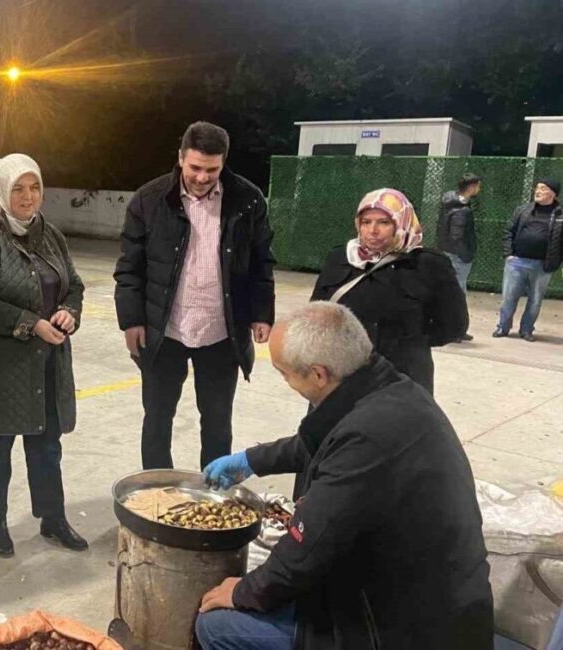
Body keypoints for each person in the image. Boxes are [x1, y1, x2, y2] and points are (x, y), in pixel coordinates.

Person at [196, 302, 493, 650]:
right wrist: (251, 460)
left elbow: (303, 555)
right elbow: (323, 442)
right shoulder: (390, 391)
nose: (285, 381)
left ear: (318, 375)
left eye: (284, 373)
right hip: (430, 599)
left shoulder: (367, 439)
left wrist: (243, 592)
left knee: (215, 626)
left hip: (402, 630)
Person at [114, 120, 276, 470]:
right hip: (164, 331)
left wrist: (262, 312)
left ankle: (213, 489)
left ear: (224, 163)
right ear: (180, 158)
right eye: (195, 168)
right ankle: (157, 489)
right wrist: (132, 320)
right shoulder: (148, 200)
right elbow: (129, 267)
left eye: (212, 170)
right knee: (157, 419)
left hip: (221, 332)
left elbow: (262, 260)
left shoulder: (247, 200)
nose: (202, 177)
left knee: (217, 422)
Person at [0, 153, 87, 558]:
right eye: (18, 189)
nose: (28, 197)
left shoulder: (50, 234)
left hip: (45, 363)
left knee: (46, 445)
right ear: (1, 190)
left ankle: (52, 518)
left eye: (34, 187)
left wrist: (69, 312)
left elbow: (73, 285)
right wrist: (32, 323)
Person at [310, 188, 466, 394]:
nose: (373, 230)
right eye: (366, 222)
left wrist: (411, 344)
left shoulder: (428, 264)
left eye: (384, 222)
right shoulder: (341, 257)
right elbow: (316, 312)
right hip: (342, 376)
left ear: (401, 223)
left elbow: (454, 325)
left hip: (400, 378)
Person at [493, 179, 563, 342]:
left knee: (535, 300)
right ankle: (503, 327)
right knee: (509, 297)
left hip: (543, 265)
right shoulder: (523, 210)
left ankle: (526, 330)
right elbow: (509, 231)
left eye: (543, 189)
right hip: (517, 262)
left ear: (553, 194)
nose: (537, 191)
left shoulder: (560, 215)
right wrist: (508, 254)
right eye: (537, 188)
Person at [437, 172, 481, 341]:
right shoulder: (462, 211)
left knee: (452, 294)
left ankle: (454, 329)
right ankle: (455, 330)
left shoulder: (449, 203)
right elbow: (457, 236)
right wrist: (465, 255)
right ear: (471, 187)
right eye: (477, 186)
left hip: (448, 252)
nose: (479, 189)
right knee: (457, 296)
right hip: (457, 257)